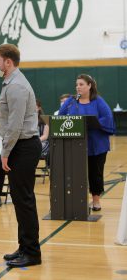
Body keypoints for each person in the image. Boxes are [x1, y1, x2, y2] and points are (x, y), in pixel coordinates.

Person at [0, 44, 42, 268]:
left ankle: (32, 253)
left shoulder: (17, 86)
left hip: (23, 146)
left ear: (8, 62)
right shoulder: (10, 83)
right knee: (20, 201)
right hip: (19, 146)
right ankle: (24, 247)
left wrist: (5, 153)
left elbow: (14, 125)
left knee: (24, 201)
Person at [59, 74, 115, 211]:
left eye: (81, 84)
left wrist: (91, 123)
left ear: (89, 86)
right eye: (76, 84)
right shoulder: (71, 101)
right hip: (75, 144)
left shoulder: (98, 101)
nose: (78, 87)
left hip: (96, 145)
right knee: (75, 173)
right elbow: (60, 117)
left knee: (95, 173)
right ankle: (77, 200)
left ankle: (96, 200)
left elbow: (108, 118)